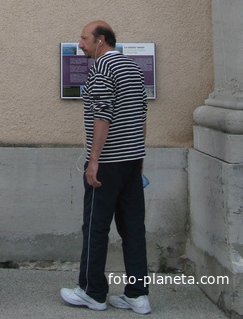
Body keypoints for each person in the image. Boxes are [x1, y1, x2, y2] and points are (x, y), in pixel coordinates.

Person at [60, 21, 151, 314]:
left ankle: (93, 292)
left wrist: (94, 160)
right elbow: (141, 116)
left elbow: (102, 115)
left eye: (84, 39)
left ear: (101, 41)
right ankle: (138, 295)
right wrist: (138, 158)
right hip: (131, 163)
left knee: (95, 228)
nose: (81, 45)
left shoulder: (101, 69)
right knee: (133, 230)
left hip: (107, 165)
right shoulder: (133, 69)